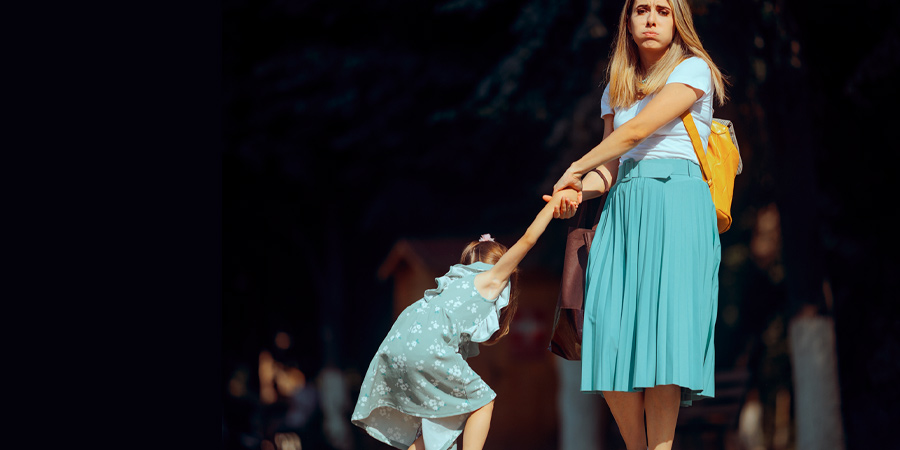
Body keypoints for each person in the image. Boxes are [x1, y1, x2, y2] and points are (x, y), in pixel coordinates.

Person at [548, 1, 728, 449]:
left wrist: (574, 167)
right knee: (605, 333)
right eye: (642, 9)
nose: (651, 19)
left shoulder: (693, 69)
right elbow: (611, 164)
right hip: (624, 208)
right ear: (627, 21)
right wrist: (578, 191)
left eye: (663, 11)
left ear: (677, 21)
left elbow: (636, 132)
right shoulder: (618, 85)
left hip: (677, 204)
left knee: (665, 342)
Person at [351, 190, 579, 450]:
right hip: (428, 348)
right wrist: (552, 207)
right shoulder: (491, 278)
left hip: (396, 346)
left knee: (444, 420)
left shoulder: (452, 281)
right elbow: (528, 239)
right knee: (483, 401)